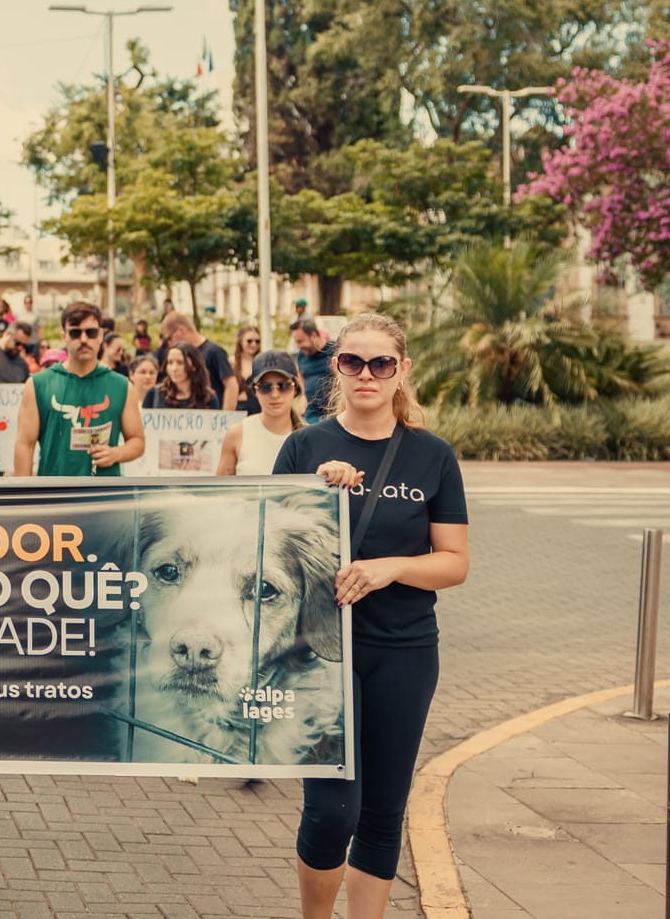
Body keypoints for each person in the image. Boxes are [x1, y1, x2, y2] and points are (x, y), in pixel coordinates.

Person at [273, 313, 469, 919]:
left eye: (381, 363)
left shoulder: (432, 456)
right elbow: (265, 546)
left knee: (383, 812)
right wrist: (316, 492)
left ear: (401, 371)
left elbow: (454, 562)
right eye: (353, 361)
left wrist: (391, 568)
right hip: (318, 651)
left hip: (404, 650)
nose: (367, 374)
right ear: (336, 368)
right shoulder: (305, 447)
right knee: (333, 812)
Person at [13, 301, 143, 476]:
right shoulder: (38, 384)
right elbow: (24, 445)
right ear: (64, 336)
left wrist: (116, 453)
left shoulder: (122, 386)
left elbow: (137, 441)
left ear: (101, 335)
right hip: (52, 489)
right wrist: (24, 491)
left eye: (91, 332)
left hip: (105, 490)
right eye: (75, 333)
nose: (83, 339)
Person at [216, 350, 303, 476]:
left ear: (295, 389)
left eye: (283, 385)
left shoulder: (308, 437)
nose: (275, 395)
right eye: (265, 387)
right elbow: (221, 486)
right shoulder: (237, 434)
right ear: (255, 391)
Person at [161, 312, 240, 411]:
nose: (169, 343)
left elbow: (231, 385)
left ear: (181, 331)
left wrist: (224, 416)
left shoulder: (214, 351)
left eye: (169, 338)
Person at [143, 342, 217, 410]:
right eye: (170, 362)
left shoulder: (208, 397)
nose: (174, 368)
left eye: (180, 362)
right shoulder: (154, 393)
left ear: (194, 365)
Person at [292, 316, 338, 415]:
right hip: (310, 412)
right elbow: (300, 373)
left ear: (313, 335)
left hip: (332, 413)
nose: (298, 346)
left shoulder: (335, 351)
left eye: (300, 341)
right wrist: (303, 394)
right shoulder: (301, 355)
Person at [231, 324, 265, 415]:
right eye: (249, 341)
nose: (254, 344)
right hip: (236, 411)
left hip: (257, 411)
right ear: (240, 341)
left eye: (257, 341)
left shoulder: (263, 363)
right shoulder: (231, 363)